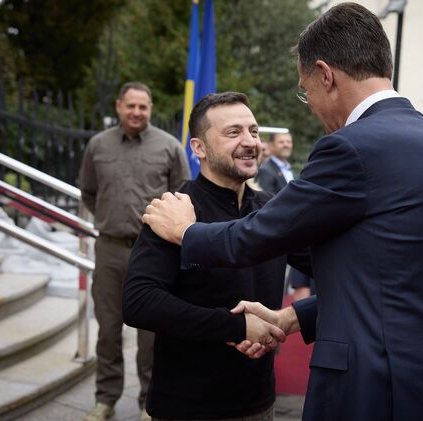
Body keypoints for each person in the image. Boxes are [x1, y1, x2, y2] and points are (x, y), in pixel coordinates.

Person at [141, 3, 423, 420]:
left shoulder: (352, 147)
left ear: (326, 75)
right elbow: (388, 279)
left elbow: (254, 235)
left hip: (375, 389)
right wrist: (291, 318)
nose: (311, 105)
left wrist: (186, 232)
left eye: (306, 91)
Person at [121, 92, 311, 421]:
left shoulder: (272, 209)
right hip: (187, 406)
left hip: (259, 402)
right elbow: (139, 302)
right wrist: (236, 327)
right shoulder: (175, 210)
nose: (250, 141)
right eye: (233, 132)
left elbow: (327, 267)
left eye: (254, 131)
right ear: (199, 148)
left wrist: (285, 320)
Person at [78, 81, 190, 421]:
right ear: (118, 106)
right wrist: (111, 218)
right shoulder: (98, 145)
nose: (137, 112)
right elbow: (88, 192)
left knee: (153, 334)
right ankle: (105, 399)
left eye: (143, 106)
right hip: (110, 250)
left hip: (154, 252)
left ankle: (149, 402)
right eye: (131, 106)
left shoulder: (168, 146)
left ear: (150, 109)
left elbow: (183, 197)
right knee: (108, 329)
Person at [255, 131, 314, 300]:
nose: (286, 145)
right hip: (279, 233)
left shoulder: (290, 170)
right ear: (271, 145)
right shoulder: (267, 171)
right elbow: (265, 203)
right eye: (281, 142)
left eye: (289, 141)